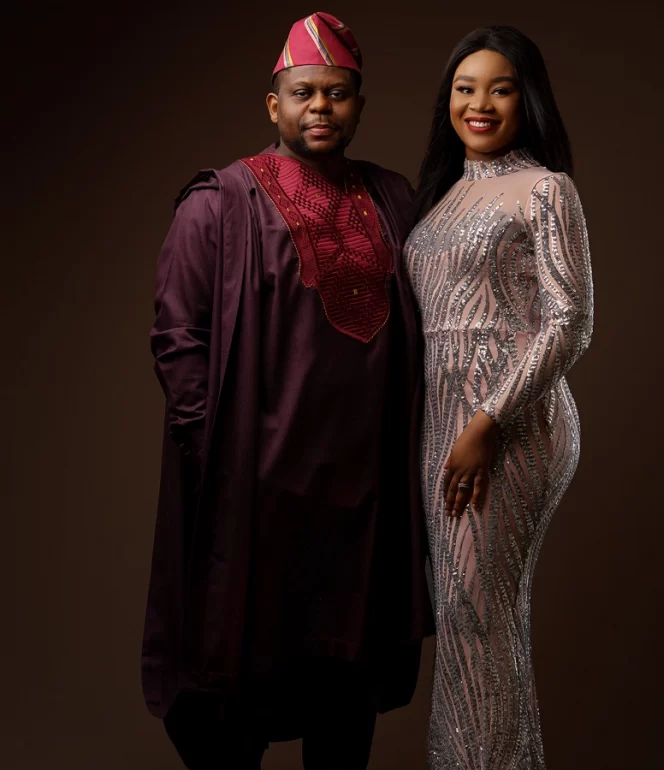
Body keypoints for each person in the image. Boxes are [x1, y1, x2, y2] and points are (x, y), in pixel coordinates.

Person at [141, 12, 433, 770]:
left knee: (346, 695)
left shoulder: (395, 199)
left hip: (362, 503)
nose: (321, 109)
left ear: (359, 106)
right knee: (236, 692)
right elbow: (178, 340)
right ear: (274, 104)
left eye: (337, 95)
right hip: (261, 495)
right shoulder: (218, 204)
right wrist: (223, 459)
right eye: (305, 93)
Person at [405, 25, 594, 768]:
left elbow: (572, 319)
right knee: (461, 620)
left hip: (507, 423)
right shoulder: (443, 195)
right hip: (444, 427)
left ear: (528, 98)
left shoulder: (546, 188)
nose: (479, 103)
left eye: (501, 87)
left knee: (479, 617)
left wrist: (487, 419)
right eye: (464, 87)